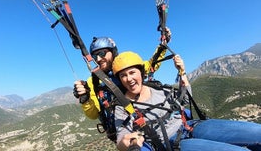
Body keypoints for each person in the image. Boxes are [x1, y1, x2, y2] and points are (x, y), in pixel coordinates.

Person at [112, 51, 261, 151]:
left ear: (141, 73)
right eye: (123, 76)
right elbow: (121, 138)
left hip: (191, 126)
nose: (129, 79)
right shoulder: (122, 106)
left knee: (257, 133)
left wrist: (182, 72)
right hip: (174, 143)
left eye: (132, 72)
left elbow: (184, 97)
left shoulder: (157, 88)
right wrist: (128, 142)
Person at [73, 34, 170, 141]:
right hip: (123, 133)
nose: (99, 59)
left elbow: (151, 64)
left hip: (146, 123)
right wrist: (85, 99)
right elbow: (93, 114)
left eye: (102, 53)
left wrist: (163, 45)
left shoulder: (126, 67)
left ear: (113, 52)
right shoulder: (93, 82)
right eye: (95, 56)